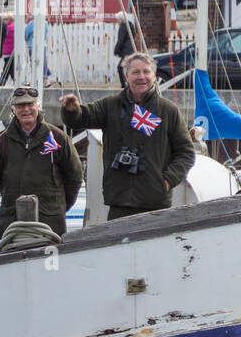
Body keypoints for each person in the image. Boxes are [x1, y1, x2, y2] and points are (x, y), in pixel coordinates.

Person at [60, 51, 195, 220]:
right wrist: (71, 110)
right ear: (126, 76)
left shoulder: (168, 110)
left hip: (155, 202)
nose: (141, 77)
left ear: (154, 75)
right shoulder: (110, 106)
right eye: (136, 72)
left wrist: (167, 181)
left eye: (146, 72)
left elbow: (186, 153)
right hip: (119, 202)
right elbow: (81, 119)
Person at [0, 88, 83, 239]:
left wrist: (58, 207)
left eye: (30, 104)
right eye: (20, 106)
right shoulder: (4, 141)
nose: (26, 109)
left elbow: (75, 177)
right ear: (13, 109)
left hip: (49, 226)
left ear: (37, 106)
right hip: (13, 226)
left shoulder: (58, 138)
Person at [114, 14, 142, 87]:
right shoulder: (130, 25)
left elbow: (121, 40)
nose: (117, 21)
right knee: (128, 67)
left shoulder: (123, 26)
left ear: (121, 18)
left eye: (118, 19)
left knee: (120, 67)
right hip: (131, 49)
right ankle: (129, 83)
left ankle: (124, 84)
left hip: (127, 51)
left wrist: (116, 50)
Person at [0, 17, 16, 84]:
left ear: (9, 20)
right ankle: (15, 80)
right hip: (12, 50)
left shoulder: (7, 28)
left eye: (5, 19)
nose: (3, 21)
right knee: (10, 68)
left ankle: (2, 82)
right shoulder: (14, 26)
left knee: (7, 67)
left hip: (7, 50)